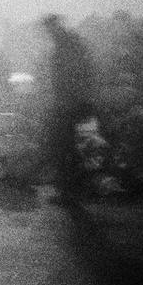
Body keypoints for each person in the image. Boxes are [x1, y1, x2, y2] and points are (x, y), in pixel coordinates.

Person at [41, 13, 96, 206]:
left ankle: (69, 192)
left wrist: (72, 100)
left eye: (50, 28)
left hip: (71, 104)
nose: (48, 33)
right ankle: (71, 190)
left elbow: (74, 75)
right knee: (68, 147)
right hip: (70, 103)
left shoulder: (68, 45)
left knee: (66, 147)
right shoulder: (67, 43)